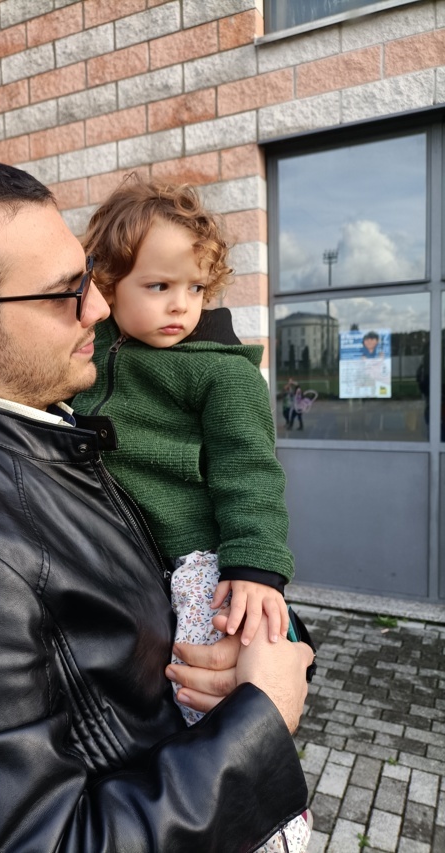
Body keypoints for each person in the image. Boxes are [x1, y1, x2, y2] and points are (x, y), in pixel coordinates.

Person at [0, 159, 314, 853]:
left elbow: (165, 563)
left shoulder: (54, 421)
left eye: (89, 276)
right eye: (65, 292)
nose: (100, 307)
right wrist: (261, 721)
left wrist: (262, 642)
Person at [72, 177, 313, 851]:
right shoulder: (86, 356)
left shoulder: (220, 373)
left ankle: (273, 823)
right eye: (159, 286)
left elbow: (251, 473)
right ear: (107, 284)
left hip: (200, 561)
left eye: (196, 287)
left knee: (216, 691)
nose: (181, 304)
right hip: (127, 561)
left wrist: (256, 568)